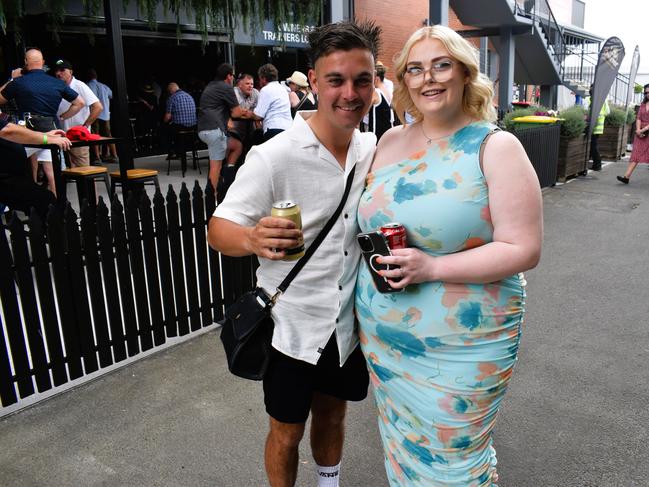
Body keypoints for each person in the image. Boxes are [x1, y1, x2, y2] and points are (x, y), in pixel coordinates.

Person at [355, 25, 542, 486]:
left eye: (441, 65)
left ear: (464, 73)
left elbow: (524, 248)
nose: (427, 79)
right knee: (402, 444)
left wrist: (433, 266)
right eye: (415, 69)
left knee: (454, 455)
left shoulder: (495, 147)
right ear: (403, 80)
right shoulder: (388, 142)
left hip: (465, 339)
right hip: (385, 334)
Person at [207, 20, 381, 487]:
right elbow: (217, 229)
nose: (350, 93)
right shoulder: (274, 155)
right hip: (291, 326)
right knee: (286, 431)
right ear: (314, 82)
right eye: (336, 80)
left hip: (349, 322)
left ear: (375, 83)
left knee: (333, 416)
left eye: (362, 80)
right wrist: (250, 240)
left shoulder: (375, 149)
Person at [0, 48, 84, 196]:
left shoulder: (19, 82)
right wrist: (63, 116)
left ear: (26, 62)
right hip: (51, 129)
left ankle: (33, 209)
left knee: (28, 172)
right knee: (52, 174)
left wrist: (12, 79)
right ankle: (60, 209)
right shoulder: (56, 83)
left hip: (26, 131)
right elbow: (80, 103)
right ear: (43, 63)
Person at [0, 114, 71, 218]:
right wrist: (46, 138)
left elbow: (9, 131)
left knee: (43, 199)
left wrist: (44, 136)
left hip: (10, 175)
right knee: (44, 200)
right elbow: (7, 131)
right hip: (5, 178)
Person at [198, 63, 250, 194]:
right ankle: (213, 196)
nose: (233, 78)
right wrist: (247, 112)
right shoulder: (226, 88)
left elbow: (219, 107)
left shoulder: (211, 85)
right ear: (228, 76)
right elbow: (236, 113)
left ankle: (229, 175)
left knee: (236, 145)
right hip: (214, 130)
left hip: (203, 130)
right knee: (216, 166)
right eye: (232, 76)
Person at [54, 59, 103, 168]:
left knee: (83, 171)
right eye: (56, 70)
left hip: (77, 136)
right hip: (63, 136)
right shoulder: (58, 86)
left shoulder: (79, 85)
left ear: (70, 72)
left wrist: (85, 126)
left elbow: (98, 107)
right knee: (70, 173)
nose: (58, 73)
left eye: (62, 70)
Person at [617, 84, 649, 184]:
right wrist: (638, 130)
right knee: (636, 154)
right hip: (641, 133)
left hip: (645, 130)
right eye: (646, 92)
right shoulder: (643, 104)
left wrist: (642, 130)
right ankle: (626, 177)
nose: (647, 94)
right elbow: (638, 117)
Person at [251, 63, 292, 141]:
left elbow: (258, 115)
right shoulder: (283, 89)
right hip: (288, 129)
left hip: (273, 129)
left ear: (263, 78)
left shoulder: (266, 90)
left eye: (259, 78)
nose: (259, 81)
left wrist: (247, 113)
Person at [87, 68, 118, 163]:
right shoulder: (104, 86)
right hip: (106, 114)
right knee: (108, 135)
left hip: (94, 114)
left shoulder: (88, 86)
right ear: (96, 76)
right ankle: (114, 156)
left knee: (94, 135)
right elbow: (111, 95)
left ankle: (97, 158)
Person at [163, 82, 197, 160]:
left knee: (164, 129)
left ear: (171, 90)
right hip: (193, 127)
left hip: (180, 127)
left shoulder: (172, 98)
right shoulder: (189, 96)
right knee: (174, 129)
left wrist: (163, 122)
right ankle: (179, 151)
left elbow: (167, 117)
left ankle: (173, 151)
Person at [587, 84, 610, 172]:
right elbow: (607, 112)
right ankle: (590, 162)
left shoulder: (591, 99)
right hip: (599, 127)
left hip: (593, 126)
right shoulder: (603, 100)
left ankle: (597, 164)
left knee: (593, 146)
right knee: (593, 145)